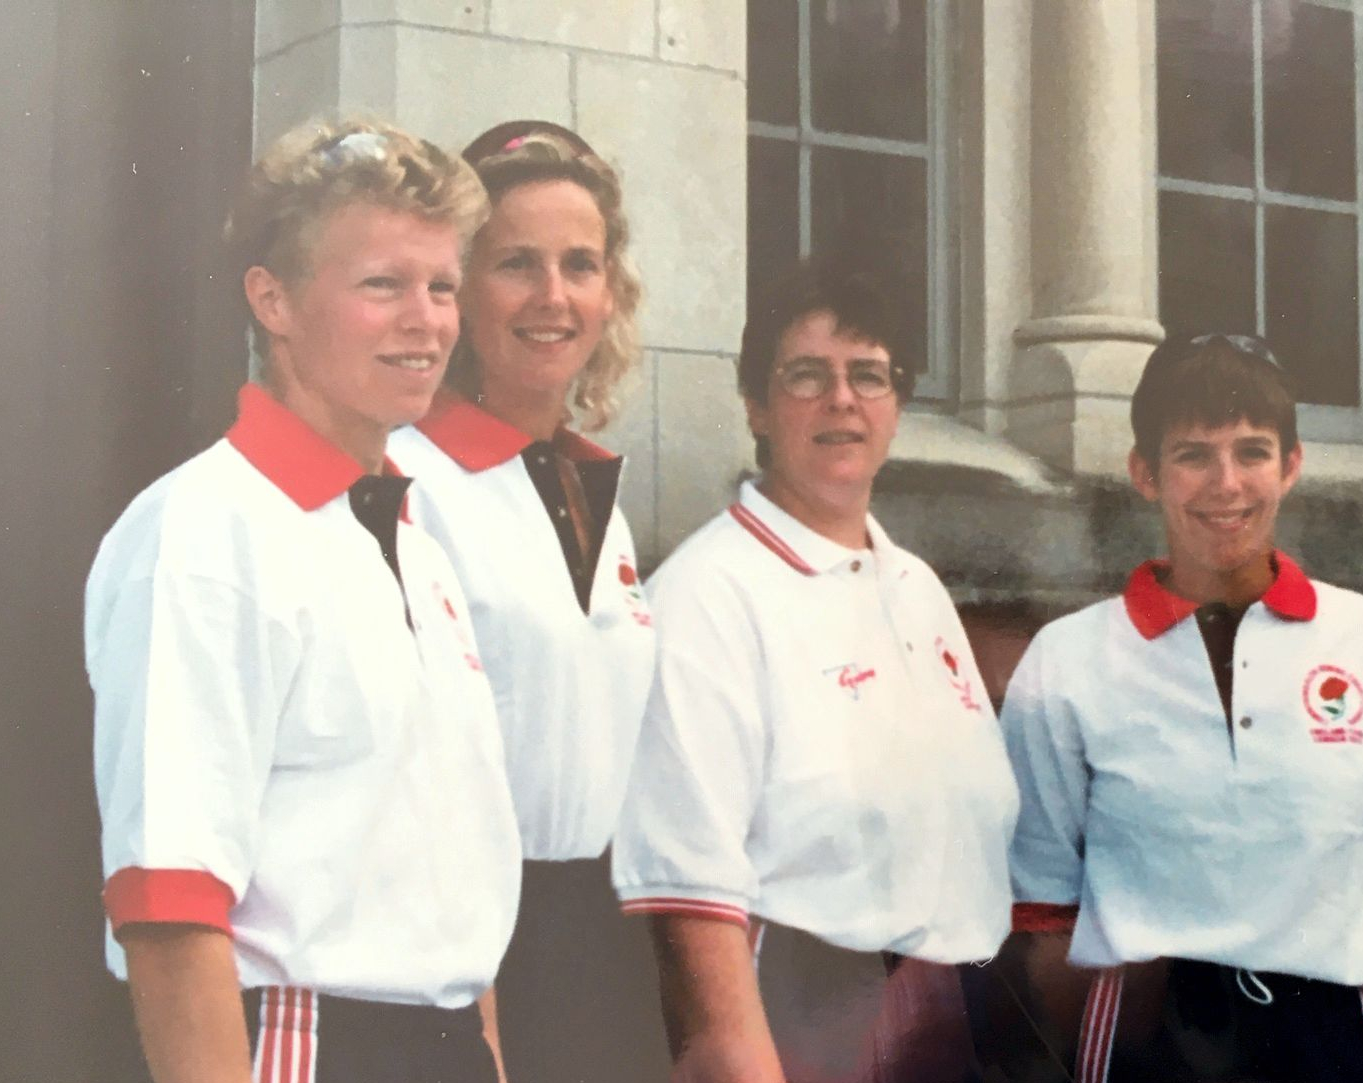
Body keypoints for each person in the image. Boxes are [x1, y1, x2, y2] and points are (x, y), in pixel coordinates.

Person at [86, 118, 519, 1083]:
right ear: (272, 300)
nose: (428, 320)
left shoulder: (412, 537)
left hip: (441, 1041)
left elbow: (448, 881)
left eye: (442, 285)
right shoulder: (204, 532)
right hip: (303, 1044)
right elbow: (168, 906)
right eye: (382, 285)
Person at [1000, 333, 1363, 1083]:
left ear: (1291, 464)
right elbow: (1042, 906)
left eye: (1251, 451)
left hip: (1329, 1028)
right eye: (1192, 454)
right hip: (1147, 1034)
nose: (1225, 482)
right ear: (1144, 473)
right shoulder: (1069, 655)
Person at [614, 259, 1019, 1083]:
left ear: (897, 405)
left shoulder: (916, 587)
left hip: (956, 1019)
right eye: (806, 375)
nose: (842, 399)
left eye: (868, 375)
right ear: (757, 406)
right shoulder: (705, 598)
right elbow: (691, 906)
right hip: (812, 1024)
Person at [387, 119, 654, 1081]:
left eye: (579, 265)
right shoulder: (405, 477)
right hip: (477, 943)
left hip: (605, 938)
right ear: (458, 288)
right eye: (516, 265)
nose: (553, 297)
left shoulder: (593, 489)